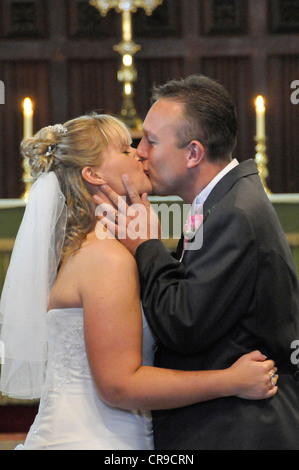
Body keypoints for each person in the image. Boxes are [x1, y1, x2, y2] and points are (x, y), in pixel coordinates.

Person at [0, 114, 278, 451]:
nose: (140, 154)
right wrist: (230, 381)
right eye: (125, 149)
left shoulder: (100, 250)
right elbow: (119, 386)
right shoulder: (106, 260)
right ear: (93, 174)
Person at [95, 75, 299, 450]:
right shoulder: (225, 202)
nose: (140, 151)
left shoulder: (234, 213)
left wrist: (146, 245)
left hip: (239, 431)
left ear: (193, 153)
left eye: (151, 141)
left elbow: (183, 324)